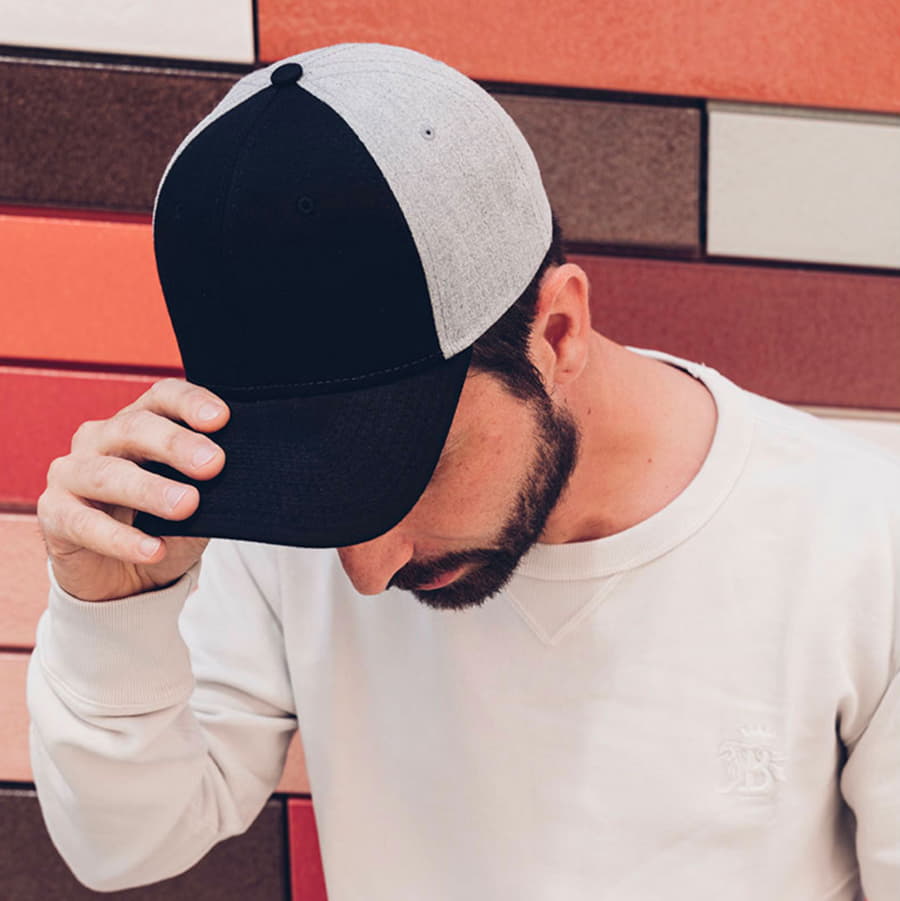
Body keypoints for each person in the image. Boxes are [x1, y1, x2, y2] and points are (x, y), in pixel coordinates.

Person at [28, 43, 900, 901]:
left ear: (557, 332)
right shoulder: (288, 532)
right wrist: (112, 616)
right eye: (318, 480)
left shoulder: (859, 542)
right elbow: (124, 843)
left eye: (401, 465)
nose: (365, 571)